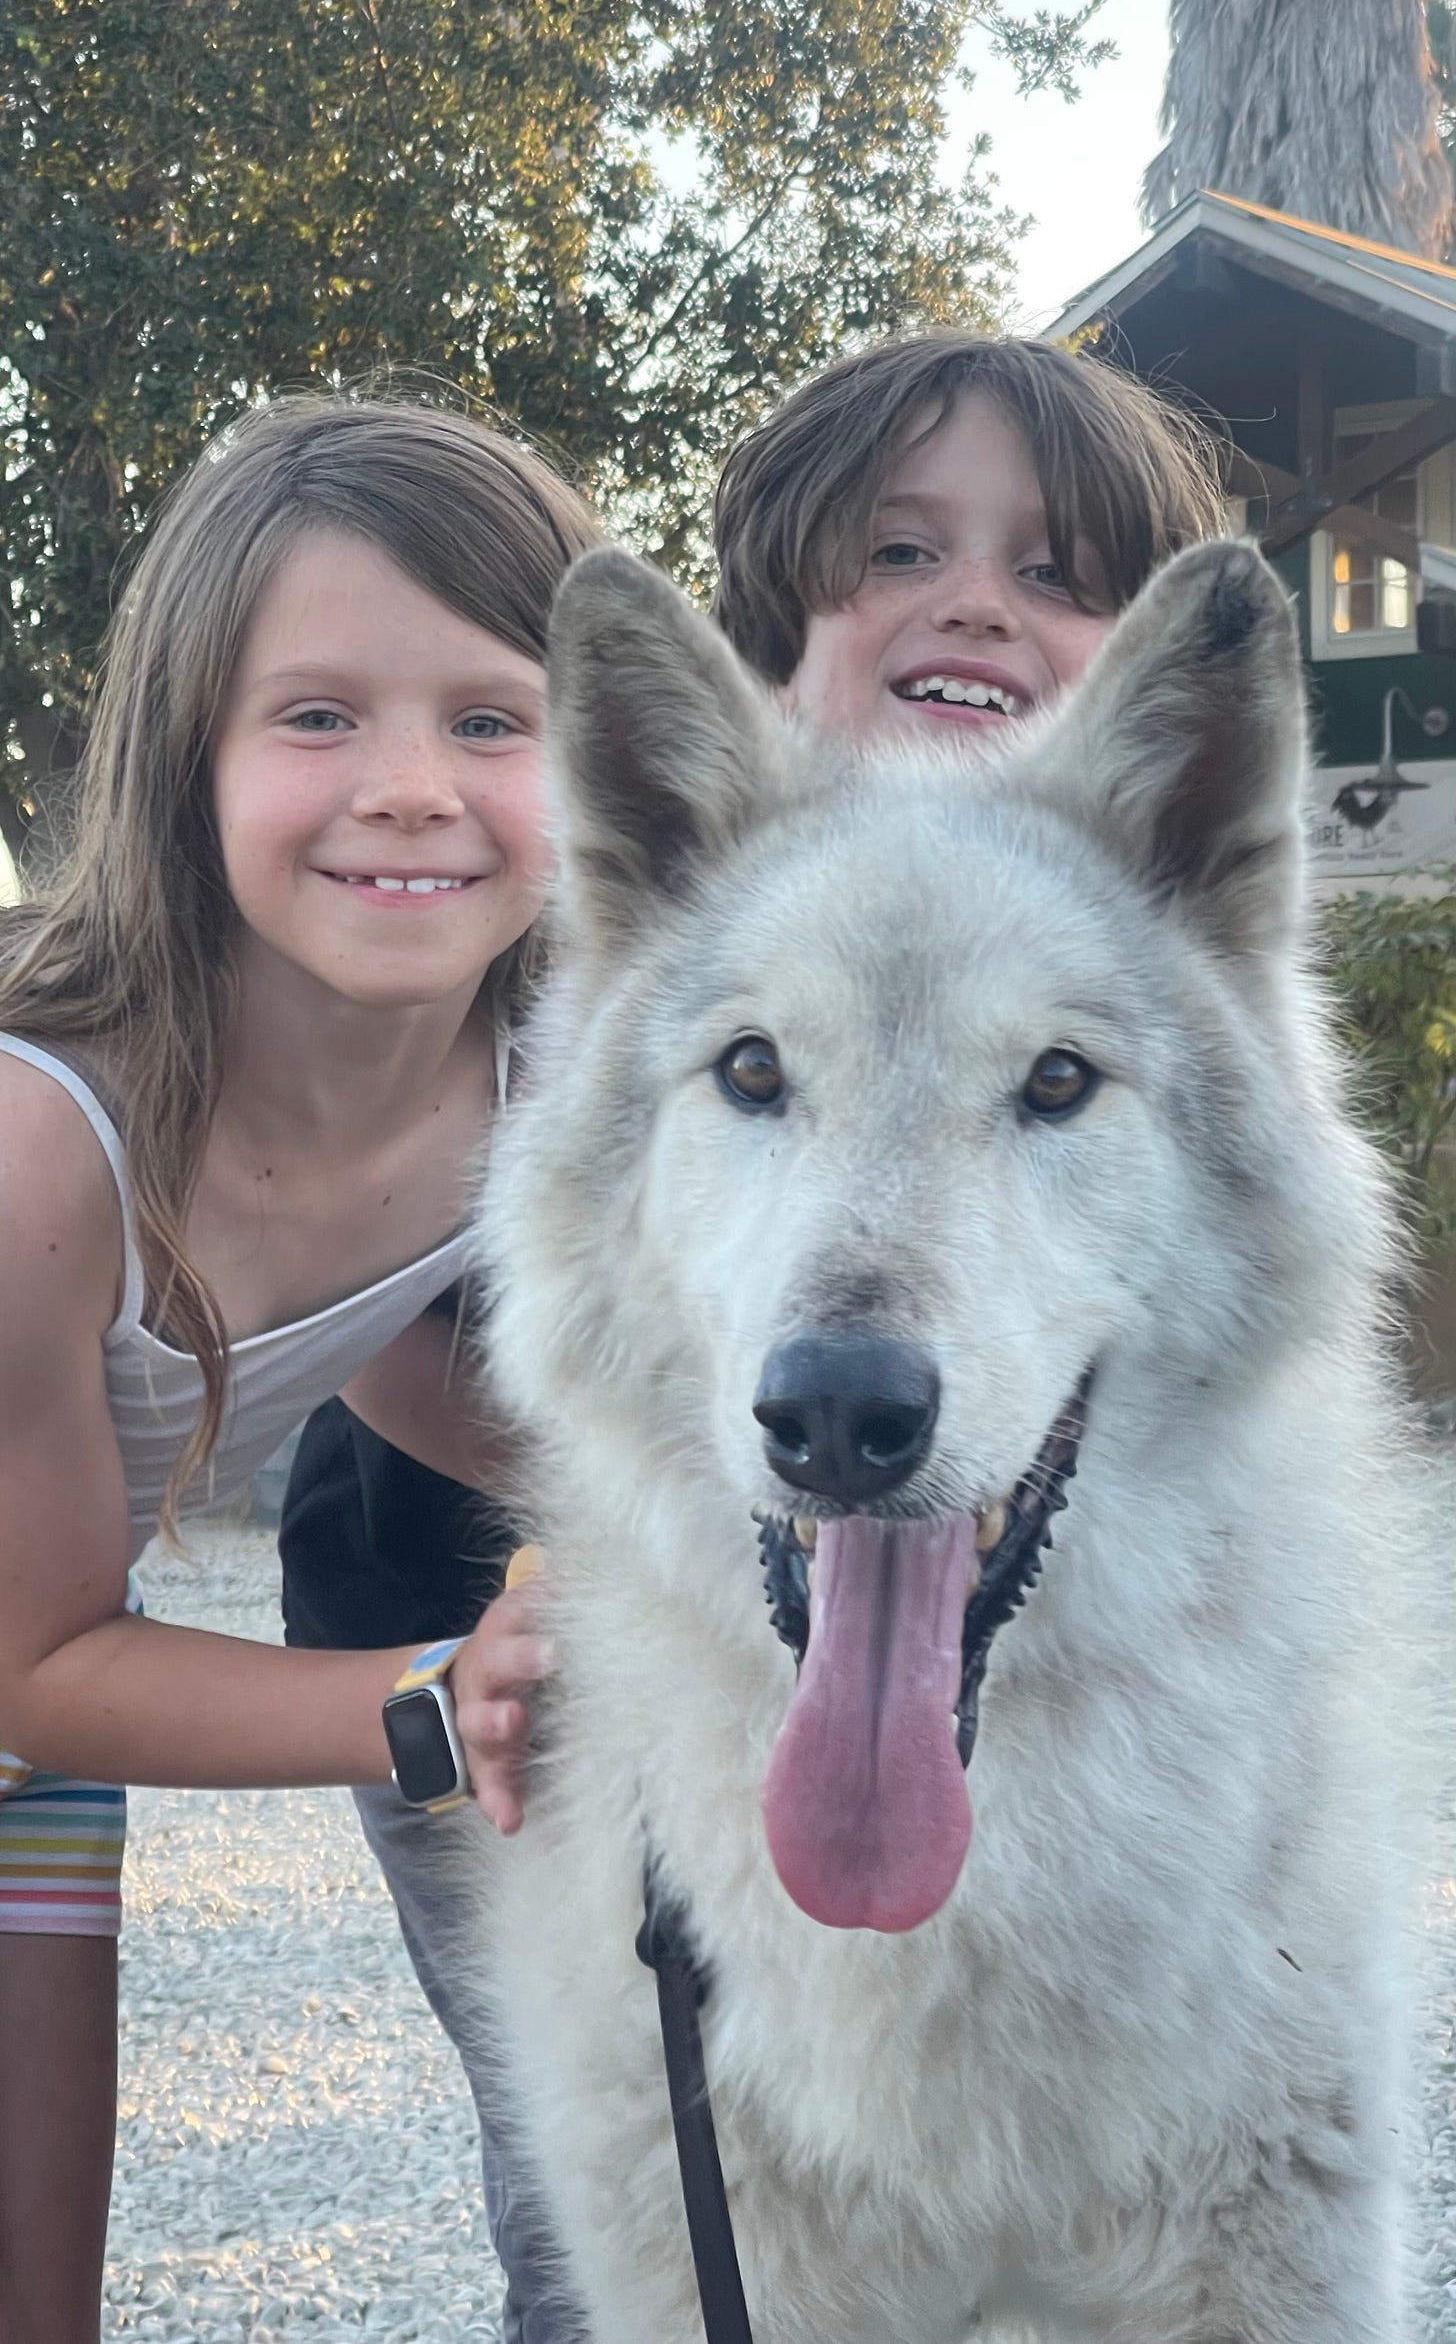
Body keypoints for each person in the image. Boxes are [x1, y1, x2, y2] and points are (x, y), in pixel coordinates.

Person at [279, 329, 1228, 2336]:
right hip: (463, 1553)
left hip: (881, 1542)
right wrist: (618, 1514)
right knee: (623, 2187)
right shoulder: (580, 870)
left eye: (1054, 573)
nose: (972, 599)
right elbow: (325, 1248)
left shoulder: (1145, 954)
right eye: (898, 549)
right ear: (776, 617)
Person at [0, 393, 600, 2344]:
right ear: (190, 758)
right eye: (320, 714)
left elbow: (390, 1359)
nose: (412, 784)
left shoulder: (540, 1077)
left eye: (489, 718)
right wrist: (444, 1696)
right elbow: (45, 1663)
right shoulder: (39, 1144)